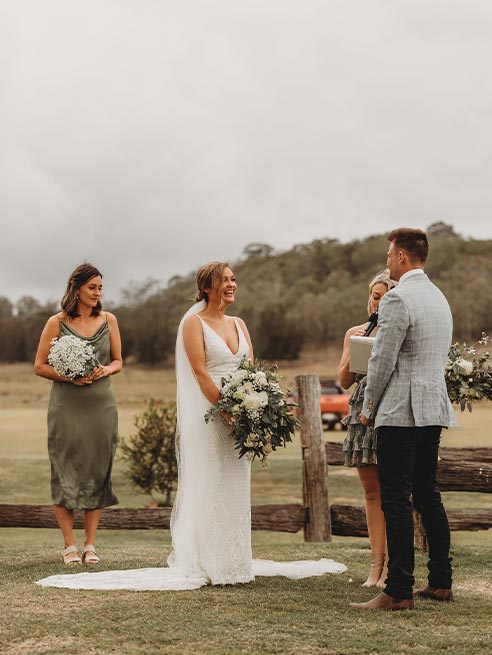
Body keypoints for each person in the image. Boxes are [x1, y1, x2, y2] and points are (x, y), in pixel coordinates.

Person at [35, 261, 346, 590]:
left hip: (239, 414)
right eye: (224, 280)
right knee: (209, 482)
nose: (232, 284)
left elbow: (251, 369)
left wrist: (254, 407)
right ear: (207, 287)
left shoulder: (239, 323)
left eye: (233, 279)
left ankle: (235, 559)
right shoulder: (192, 323)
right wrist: (226, 410)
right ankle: (205, 559)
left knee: (235, 483)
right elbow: (200, 372)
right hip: (213, 414)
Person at [351, 228, 455, 611]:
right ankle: (441, 580)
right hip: (432, 408)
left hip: (399, 410)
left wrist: (369, 406)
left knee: (395, 498)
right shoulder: (439, 298)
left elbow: (382, 359)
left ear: (401, 258)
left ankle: (398, 590)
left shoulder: (398, 299)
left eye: (390, 254)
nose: (388, 260)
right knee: (428, 494)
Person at [34, 263, 122, 565]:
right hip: (66, 406)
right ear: (77, 289)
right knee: (65, 468)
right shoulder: (55, 322)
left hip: (101, 405)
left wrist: (106, 369)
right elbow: (40, 366)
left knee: (98, 469)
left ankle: (90, 544)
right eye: (92, 287)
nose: (97, 293)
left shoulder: (109, 319)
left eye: (100, 287)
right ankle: (69, 544)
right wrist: (68, 376)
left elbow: (118, 361)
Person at [338, 269, 397, 587]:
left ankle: (392, 568)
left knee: (393, 493)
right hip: (360, 414)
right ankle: (375, 566)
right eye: (375, 297)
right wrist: (359, 343)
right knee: (371, 493)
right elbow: (344, 381)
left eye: (386, 299)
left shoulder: (401, 331)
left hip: (391, 412)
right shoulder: (355, 332)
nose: (378, 303)